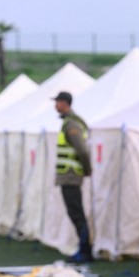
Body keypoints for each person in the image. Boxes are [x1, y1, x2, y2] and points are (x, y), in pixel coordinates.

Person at [53, 91, 93, 263]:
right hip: (68, 175)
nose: (55, 105)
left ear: (64, 103)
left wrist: (87, 169)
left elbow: (82, 150)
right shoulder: (69, 123)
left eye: (57, 102)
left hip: (71, 175)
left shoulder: (71, 124)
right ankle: (83, 249)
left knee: (76, 213)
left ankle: (85, 251)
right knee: (74, 212)